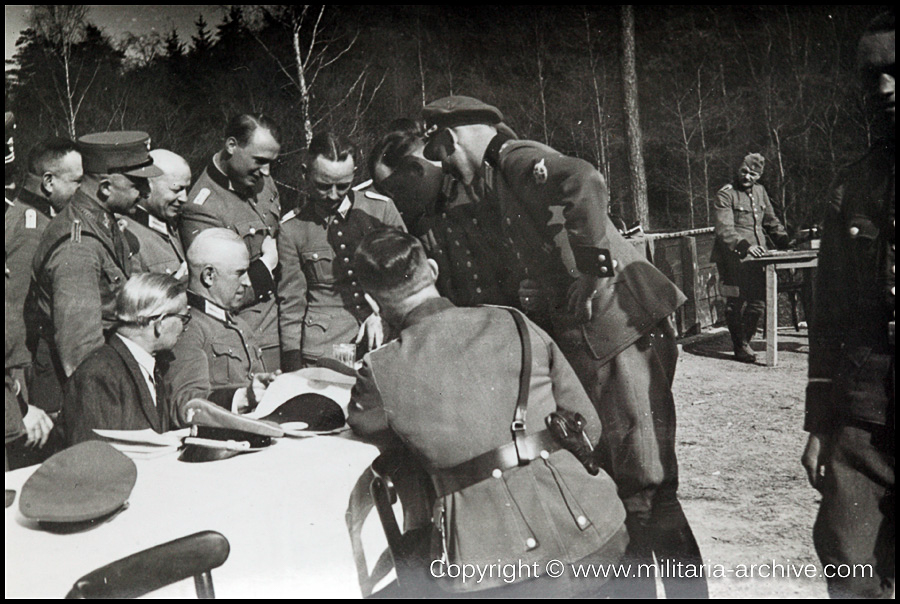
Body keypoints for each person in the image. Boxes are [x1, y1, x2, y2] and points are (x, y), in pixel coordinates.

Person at [420, 96, 706, 598]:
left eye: (440, 149)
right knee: (633, 485)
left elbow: (584, 180)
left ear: (454, 136)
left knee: (647, 487)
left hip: (622, 329)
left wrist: (594, 271)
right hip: (610, 334)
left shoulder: (512, 156)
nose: (443, 163)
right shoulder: (498, 174)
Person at [348, 228, 627, 597]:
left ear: (371, 301)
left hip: (491, 567)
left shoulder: (380, 368)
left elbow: (367, 429)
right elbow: (586, 421)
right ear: (432, 270)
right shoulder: (514, 320)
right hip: (596, 533)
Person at [801, 12, 894, 599]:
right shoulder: (851, 185)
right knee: (849, 563)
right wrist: (819, 424)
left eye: (897, 71)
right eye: (872, 77)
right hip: (866, 415)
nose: (883, 88)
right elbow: (828, 314)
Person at [28, 131, 160, 421]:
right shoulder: (78, 248)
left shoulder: (103, 225)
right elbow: (80, 355)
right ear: (104, 188)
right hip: (85, 402)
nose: (147, 192)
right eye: (138, 184)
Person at [277, 131, 406, 371]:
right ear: (305, 174)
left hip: (384, 341)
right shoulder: (292, 229)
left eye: (343, 186)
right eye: (323, 186)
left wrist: (384, 316)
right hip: (326, 350)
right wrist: (292, 365)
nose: (333, 196)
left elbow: (408, 278)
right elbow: (291, 303)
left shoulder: (382, 210)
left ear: (354, 174)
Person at [370, 120, 521, 307]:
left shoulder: (479, 189)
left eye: (397, 189)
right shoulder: (421, 219)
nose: (396, 201)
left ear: (416, 170)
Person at [180, 114, 282, 372]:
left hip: (284, 326)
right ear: (231, 146)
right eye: (259, 161)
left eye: (271, 163)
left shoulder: (262, 181)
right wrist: (266, 268)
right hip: (248, 337)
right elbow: (217, 293)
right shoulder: (202, 208)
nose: (267, 172)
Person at [64, 273, 189, 445]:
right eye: (183, 318)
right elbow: (95, 456)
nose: (184, 328)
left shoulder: (148, 365)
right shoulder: (99, 374)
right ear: (160, 323)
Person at [164, 228, 277, 414]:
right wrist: (243, 397)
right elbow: (183, 405)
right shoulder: (187, 328)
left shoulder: (238, 324)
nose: (248, 282)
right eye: (239, 273)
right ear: (209, 275)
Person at [5, 138, 83, 395]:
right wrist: (17, 378)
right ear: (49, 182)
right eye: (76, 181)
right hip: (23, 368)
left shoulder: (35, 217)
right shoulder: (30, 229)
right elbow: (13, 307)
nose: (81, 189)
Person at [712, 153, 793, 363]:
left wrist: (784, 240)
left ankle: (743, 344)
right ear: (739, 170)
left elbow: (770, 220)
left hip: (758, 258)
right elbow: (724, 229)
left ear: (758, 177)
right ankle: (741, 347)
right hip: (733, 256)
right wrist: (746, 247)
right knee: (736, 301)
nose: (747, 177)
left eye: (752, 174)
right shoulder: (726, 194)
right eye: (744, 171)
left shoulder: (760, 192)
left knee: (758, 302)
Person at [118, 149, 190, 281]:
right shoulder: (127, 236)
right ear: (148, 185)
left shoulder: (169, 224)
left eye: (186, 189)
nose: (184, 198)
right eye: (176, 189)